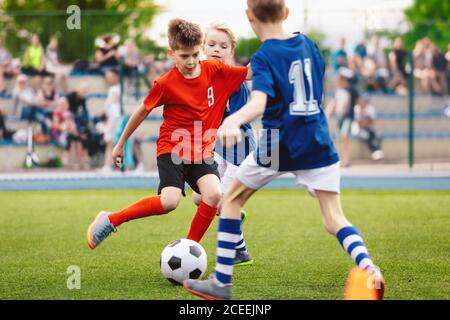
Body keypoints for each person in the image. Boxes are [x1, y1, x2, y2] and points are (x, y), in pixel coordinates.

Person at [183, 0, 384, 300]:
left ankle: (222, 282)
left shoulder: (264, 56)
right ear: (286, 13)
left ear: (250, 18)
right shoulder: (310, 45)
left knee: (231, 201)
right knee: (334, 218)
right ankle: (369, 269)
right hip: (318, 142)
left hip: (279, 143)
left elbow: (259, 103)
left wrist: (233, 121)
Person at [86, 19, 250, 255]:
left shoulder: (215, 70)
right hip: (172, 149)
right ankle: (112, 219)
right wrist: (120, 144)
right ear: (171, 53)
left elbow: (249, 73)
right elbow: (142, 111)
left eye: (195, 54)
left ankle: (188, 250)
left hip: (202, 152)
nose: (192, 61)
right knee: (169, 202)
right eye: (184, 56)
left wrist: (276, 50)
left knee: (214, 195)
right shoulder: (166, 83)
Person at [190, 21, 256, 265]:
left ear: (231, 51)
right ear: (203, 48)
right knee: (200, 197)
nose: (217, 49)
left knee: (219, 199)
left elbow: (236, 123)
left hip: (240, 149)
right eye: (212, 44)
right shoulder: (201, 78)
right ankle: (236, 231)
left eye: (223, 46)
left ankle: (237, 250)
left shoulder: (234, 80)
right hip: (218, 148)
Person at [326, 67, 358, 167]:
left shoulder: (352, 91)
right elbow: (333, 103)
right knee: (340, 138)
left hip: (348, 117)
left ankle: (346, 159)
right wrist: (327, 114)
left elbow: (359, 102)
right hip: (339, 117)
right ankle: (341, 158)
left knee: (344, 136)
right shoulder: (338, 91)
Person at [98, 69, 121, 173]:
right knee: (114, 144)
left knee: (113, 143)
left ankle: (112, 166)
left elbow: (113, 107)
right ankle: (115, 166)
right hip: (114, 118)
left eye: (110, 76)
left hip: (115, 119)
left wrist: (109, 126)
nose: (108, 79)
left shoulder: (116, 89)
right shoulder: (114, 89)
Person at [352, 94, 384, 161]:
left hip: (368, 128)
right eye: (363, 100)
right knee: (366, 136)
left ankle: (377, 152)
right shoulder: (356, 109)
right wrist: (361, 113)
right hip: (357, 130)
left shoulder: (370, 108)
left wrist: (365, 123)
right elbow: (359, 124)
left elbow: (372, 122)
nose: (364, 102)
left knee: (379, 135)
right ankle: (375, 152)